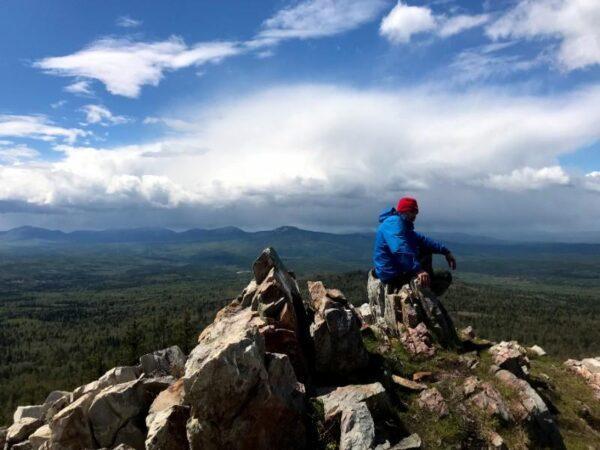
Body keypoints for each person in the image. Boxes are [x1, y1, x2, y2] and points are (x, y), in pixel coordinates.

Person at [373, 197, 456, 296]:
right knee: (444, 276)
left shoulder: (401, 224)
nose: (415, 216)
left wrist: (445, 251)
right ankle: (426, 293)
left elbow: (423, 240)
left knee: (425, 249)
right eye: (412, 211)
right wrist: (418, 270)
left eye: (416, 212)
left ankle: (426, 289)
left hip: (395, 269)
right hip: (392, 275)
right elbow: (400, 249)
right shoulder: (394, 222)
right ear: (404, 211)